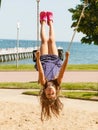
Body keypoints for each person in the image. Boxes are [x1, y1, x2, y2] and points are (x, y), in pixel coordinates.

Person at [36, 11, 70, 121]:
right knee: (52, 40)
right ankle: (50, 21)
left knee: (45, 41)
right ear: (56, 92)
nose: (50, 92)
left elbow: (41, 71)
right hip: (55, 60)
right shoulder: (57, 82)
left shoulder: (43, 82)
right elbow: (63, 71)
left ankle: (42, 22)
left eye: (48, 94)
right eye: (52, 94)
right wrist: (67, 58)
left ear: (44, 93)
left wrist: (37, 58)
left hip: (44, 60)